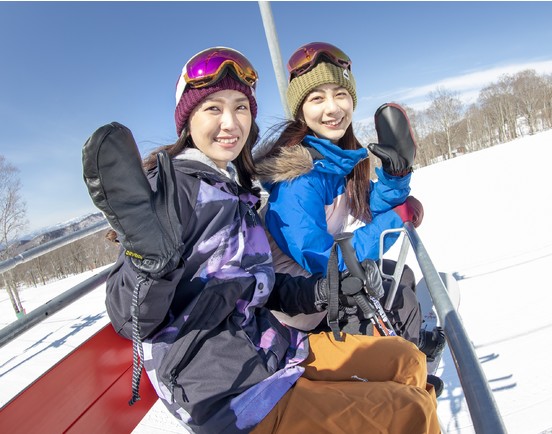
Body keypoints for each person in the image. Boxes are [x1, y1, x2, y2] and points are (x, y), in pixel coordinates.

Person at [82, 46, 440, 434]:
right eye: (213, 109)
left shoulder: (231, 190)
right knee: (410, 412)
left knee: (407, 361)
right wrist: (147, 260)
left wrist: (319, 291)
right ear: (187, 122)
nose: (230, 122)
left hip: (274, 348)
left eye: (240, 107)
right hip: (229, 392)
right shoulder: (172, 193)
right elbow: (130, 318)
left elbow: (261, 287)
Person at [256, 42, 444, 358]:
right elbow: (326, 263)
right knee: (398, 296)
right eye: (317, 98)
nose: (332, 108)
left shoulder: (336, 160)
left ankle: (406, 343)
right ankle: (408, 366)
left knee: (403, 275)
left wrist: (395, 178)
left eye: (340, 94)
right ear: (300, 110)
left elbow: (366, 209)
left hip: (325, 280)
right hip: (304, 305)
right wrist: (397, 217)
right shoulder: (297, 183)